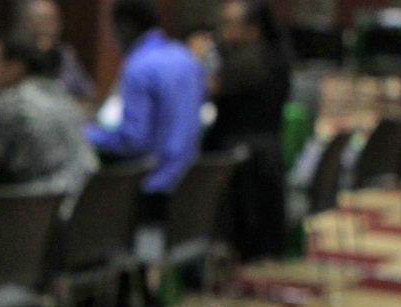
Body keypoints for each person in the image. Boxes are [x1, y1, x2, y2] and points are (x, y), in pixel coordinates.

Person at [85, 0, 205, 221]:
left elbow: (134, 141)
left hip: (154, 188)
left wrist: (86, 134)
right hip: (191, 184)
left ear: (125, 26)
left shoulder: (139, 66)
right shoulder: (185, 57)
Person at [205, 0, 292, 261]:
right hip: (264, 155)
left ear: (252, 29)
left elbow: (210, 88)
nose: (222, 30)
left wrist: (199, 57)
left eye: (230, 24)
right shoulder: (274, 53)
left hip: (241, 160)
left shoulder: (250, 60)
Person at [0, 32, 97, 195]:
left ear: (14, 66)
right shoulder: (60, 93)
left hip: (44, 208)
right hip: (87, 201)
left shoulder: (13, 102)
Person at [15, 0, 96, 105]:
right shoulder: (14, 55)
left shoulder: (66, 54)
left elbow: (88, 93)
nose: (52, 27)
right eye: (44, 20)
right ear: (28, 23)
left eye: (55, 20)